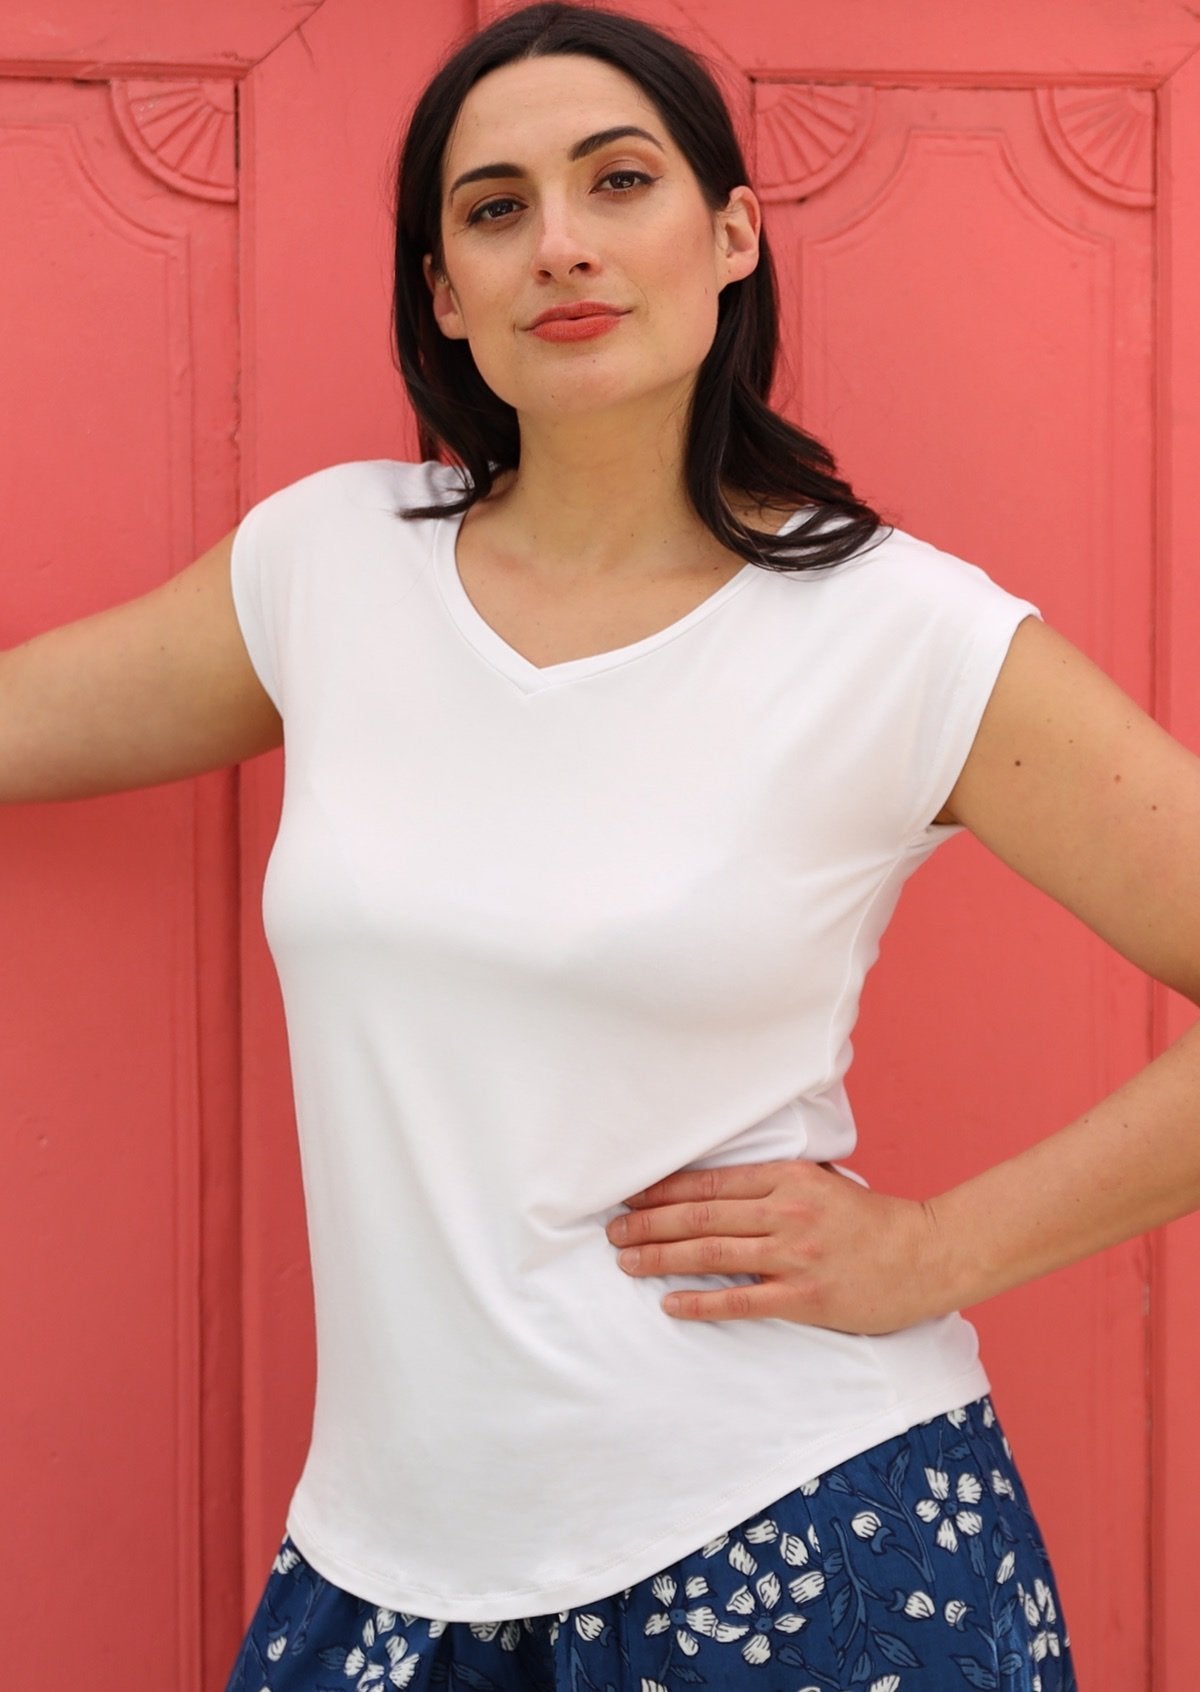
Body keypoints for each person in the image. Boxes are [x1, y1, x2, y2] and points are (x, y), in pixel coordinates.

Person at [4, 2, 1197, 1686]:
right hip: (385, 1570)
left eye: (616, 181)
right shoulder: (328, 569)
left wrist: (940, 1249)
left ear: (728, 235)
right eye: (493, 209)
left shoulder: (899, 635)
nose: (559, 243)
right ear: (444, 290)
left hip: (802, 1541)